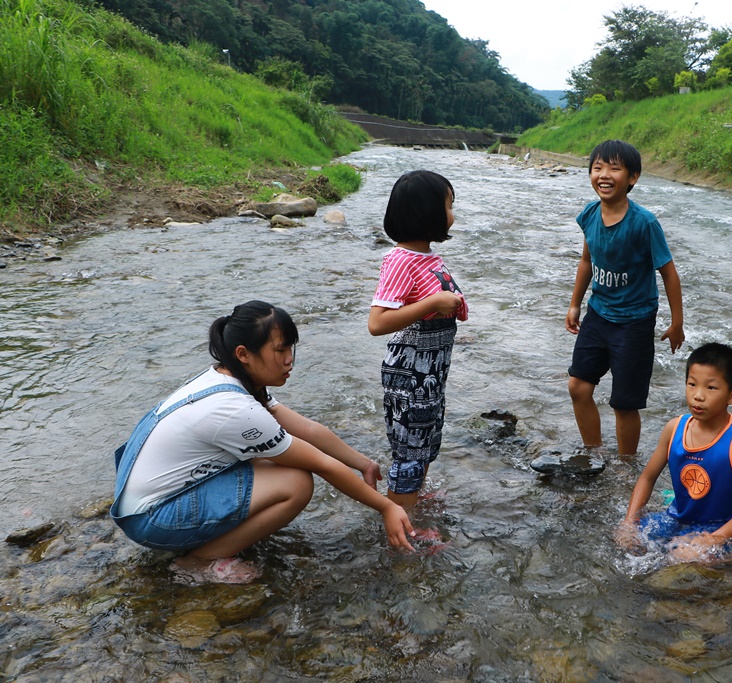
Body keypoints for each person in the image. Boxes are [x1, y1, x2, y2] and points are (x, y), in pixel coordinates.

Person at [111, 300, 415, 585]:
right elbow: (321, 464)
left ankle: (214, 537)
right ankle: (198, 561)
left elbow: (308, 429)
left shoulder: (228, 379)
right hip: (151, 519)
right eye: (280, 350)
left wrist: (363, 464)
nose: (289, 359)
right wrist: (386, 508)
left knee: (268, 458)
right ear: (244, 354)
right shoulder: (236, 409)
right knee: (295, 482)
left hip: (147, 500)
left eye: (291, 348)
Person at [565, 139, 685, 456]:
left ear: (632, 178)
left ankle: (625, 464)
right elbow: (587, 261)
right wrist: (575, 302)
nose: (604, 175)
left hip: (634, 324)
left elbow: (669, 273)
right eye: (597, 167)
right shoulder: (590, 215)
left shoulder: (644, 224)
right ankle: (593, 452)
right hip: (598, 315)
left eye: (614, 168)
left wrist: (677, 324)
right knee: (578, 386)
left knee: (624, 403)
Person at [368, 170, 468, 507]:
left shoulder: (427, 257)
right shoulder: (399, 260)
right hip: (410, 372)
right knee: (409, 447)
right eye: (449, 205)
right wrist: (432, 303)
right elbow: (377, 322)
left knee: (425, 439)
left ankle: (414, 501)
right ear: (428, 213)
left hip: (432, 371)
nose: (453, 214)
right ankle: (401, 518)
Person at [616, 343, 732, 562]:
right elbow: (647, 478)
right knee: (626, 543)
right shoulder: (674, 428)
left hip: (723, 527)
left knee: (683, 562)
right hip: (678, 517)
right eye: (692, 384)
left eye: (711, 388)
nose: (698, 396)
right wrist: (629, 523)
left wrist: (711, 540)